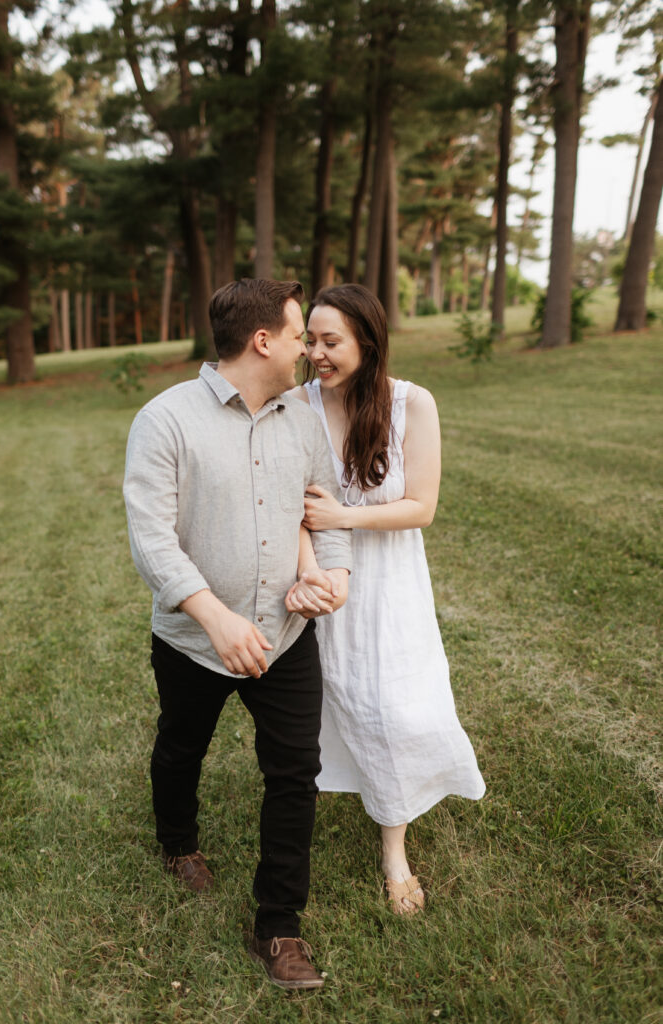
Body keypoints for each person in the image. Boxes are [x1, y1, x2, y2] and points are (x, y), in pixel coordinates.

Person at [122, 278, 352, 989]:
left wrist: (332, 578)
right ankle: (177, 842)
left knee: (295, 772)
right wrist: (214, 617)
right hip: (194, 640)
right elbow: (151, 540)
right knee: (181, 745)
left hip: (284, 636)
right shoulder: (164, 420)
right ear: (262, 341)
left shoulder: (302, 420)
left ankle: (278, 926)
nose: (305, 349)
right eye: (296, 336)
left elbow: (323, 514)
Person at [285, 283, 485, 915]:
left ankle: (394, 849)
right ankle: (309, 806)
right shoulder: (296, 405)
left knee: (395, 707)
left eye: (331, 341)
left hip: (392, 580)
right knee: (323, 702)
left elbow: (421, 506)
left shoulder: (411, 403)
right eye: (310, 340)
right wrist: (312, 568)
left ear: (367, 343)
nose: (315, 353)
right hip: (318, 577)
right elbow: (286, 502)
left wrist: (344, 516)